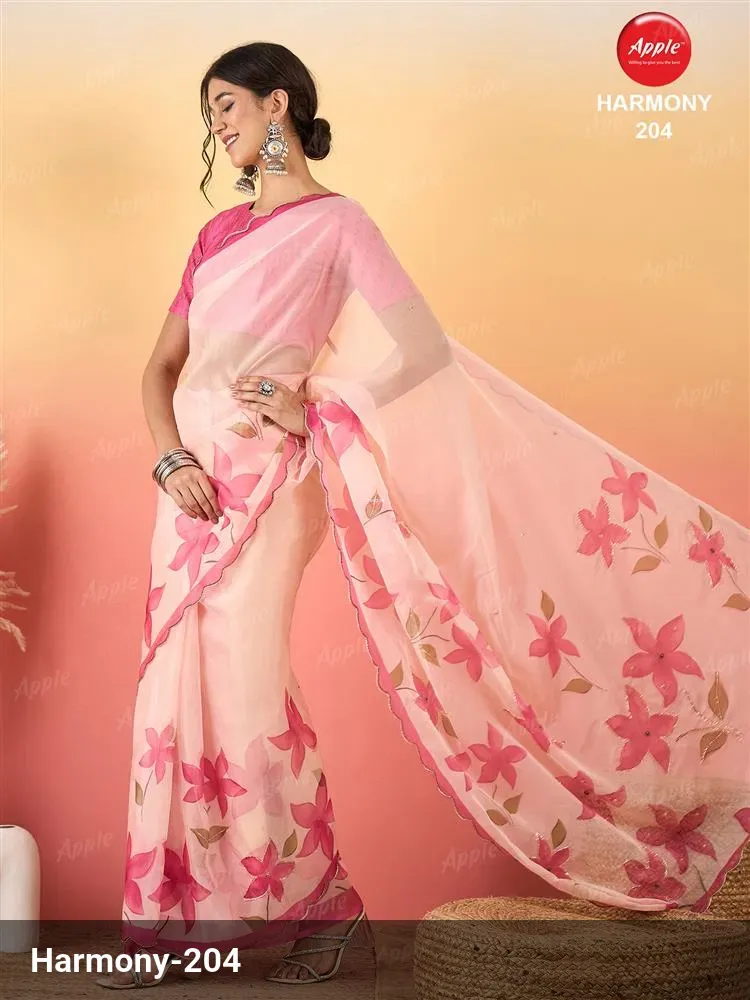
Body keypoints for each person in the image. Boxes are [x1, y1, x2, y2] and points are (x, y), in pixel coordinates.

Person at [97, 40, 750, 991]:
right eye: (209, 113)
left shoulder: (338, 224)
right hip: (186, 491)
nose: (217, 124)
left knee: (243, 690)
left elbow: (422, 349)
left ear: (278, 104)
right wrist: (169, 459)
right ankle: (169, 924)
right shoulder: (214, 236)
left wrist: (314, 401)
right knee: (170, 693)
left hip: (267, 485)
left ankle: (326, 916)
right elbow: (159, 370)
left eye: (228, 105)